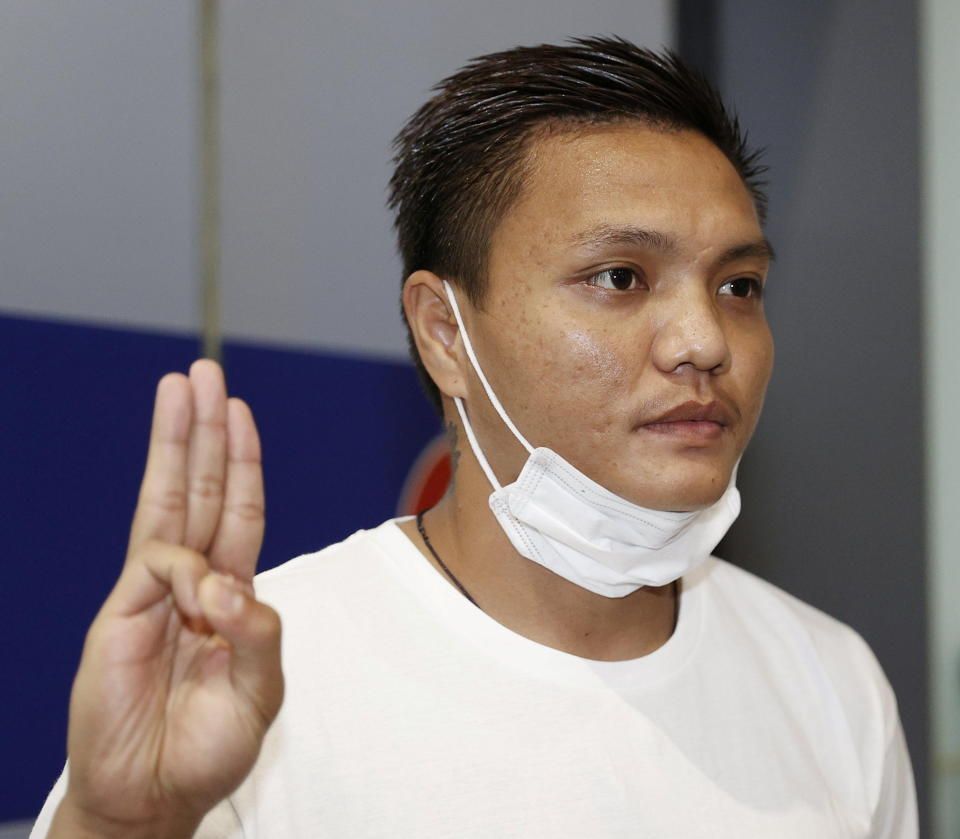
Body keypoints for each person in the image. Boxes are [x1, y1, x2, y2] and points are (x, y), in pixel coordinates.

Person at [31, 36, 917, 838]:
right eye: (620, 276)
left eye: (739, 285)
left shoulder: (829, 682)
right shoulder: (251, 675)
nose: (705, 342)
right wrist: (120, 826)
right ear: (445, 332)